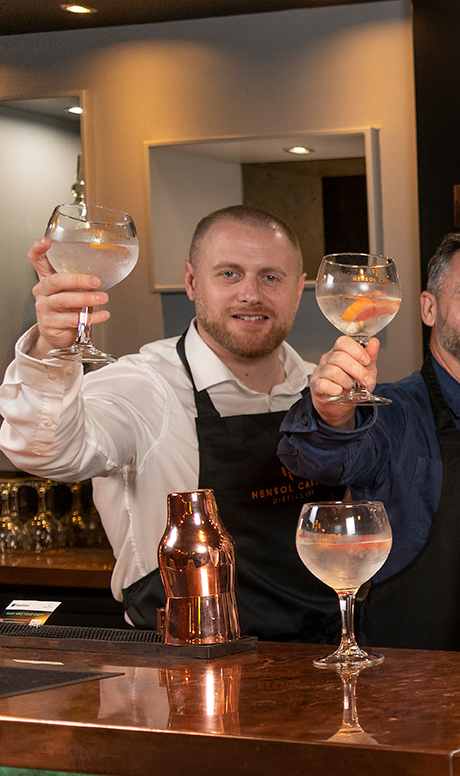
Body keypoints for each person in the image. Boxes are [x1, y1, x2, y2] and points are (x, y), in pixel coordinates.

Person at [0, 205, 343, 641]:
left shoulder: (322, 392)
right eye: (229, 274)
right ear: (191, 282)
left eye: (271, 277)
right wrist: (51, 346)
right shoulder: (143, 385)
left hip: (325, 661)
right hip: (183, 673)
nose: (251, 294)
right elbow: (45, 451)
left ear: (299, 290)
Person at [279, 230, 460, 651]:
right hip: (412, 684)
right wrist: (331, 412)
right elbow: (321, 461)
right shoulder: (391, 414)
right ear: (429, 307)